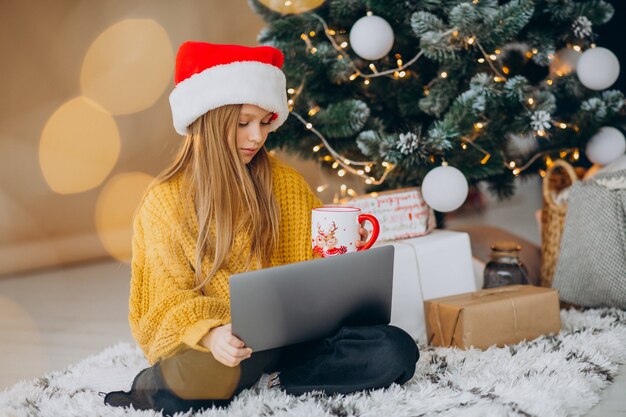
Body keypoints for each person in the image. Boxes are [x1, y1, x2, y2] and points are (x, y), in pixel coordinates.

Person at [104, 41, 419, 416]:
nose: (257, 136)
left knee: (395, 349)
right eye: (242, 123)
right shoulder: (165, 201)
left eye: (265, 122)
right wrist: (210, 333)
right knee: (183, 385)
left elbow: (316, 269)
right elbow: (165, 300)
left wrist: (344, 259)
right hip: (231, 345)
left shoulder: (285, 183)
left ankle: (282, 379)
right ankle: (153, 384)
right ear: (206, 118)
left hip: (299, 338)